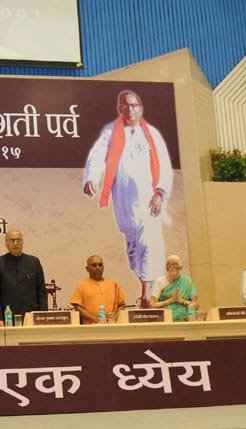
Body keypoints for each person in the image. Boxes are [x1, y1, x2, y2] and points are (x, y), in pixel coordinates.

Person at [83, 90, 173, 308]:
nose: (131, 109)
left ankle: (147, 292)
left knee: (149, 240)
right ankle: (143, 282)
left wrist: (159, 193)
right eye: (126, 105)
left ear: (140, 108)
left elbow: (164, 164)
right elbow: (97, 154)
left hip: (149, 200)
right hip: (123, 201)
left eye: (135, 105)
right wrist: (92, 177)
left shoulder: (151, 134)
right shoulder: (110, 132)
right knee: (132, 244)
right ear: (119, 108)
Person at [0, 230, 48, 326]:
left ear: (22, 242)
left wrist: (43, 315)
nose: (15, 243)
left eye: (18, 240)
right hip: (8, 316)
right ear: (6, 243)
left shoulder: (34, 262)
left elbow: (42, 292)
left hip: (32, 315)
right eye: (12, 240)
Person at [70, 255, 127, 324]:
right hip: (90, 328)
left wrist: (114, 317)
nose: (97, 267)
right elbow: (78, 307)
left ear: (103, 268)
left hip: (111, 327)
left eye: (100, 265)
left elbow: (121, 305)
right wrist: (96, 319)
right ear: (87, 269)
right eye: (94, 265)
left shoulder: (113, 284)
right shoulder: (81, 285)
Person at [149, 254, 198, 322]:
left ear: (180, 267)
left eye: (175, 264)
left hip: (184, 320)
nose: (171, 267)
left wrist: (181, 300)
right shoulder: (160, 281)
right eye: (168, 264)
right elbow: (152, 305)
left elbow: (196, 305)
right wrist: (170, 300)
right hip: (165, 320)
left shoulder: (187, 281)